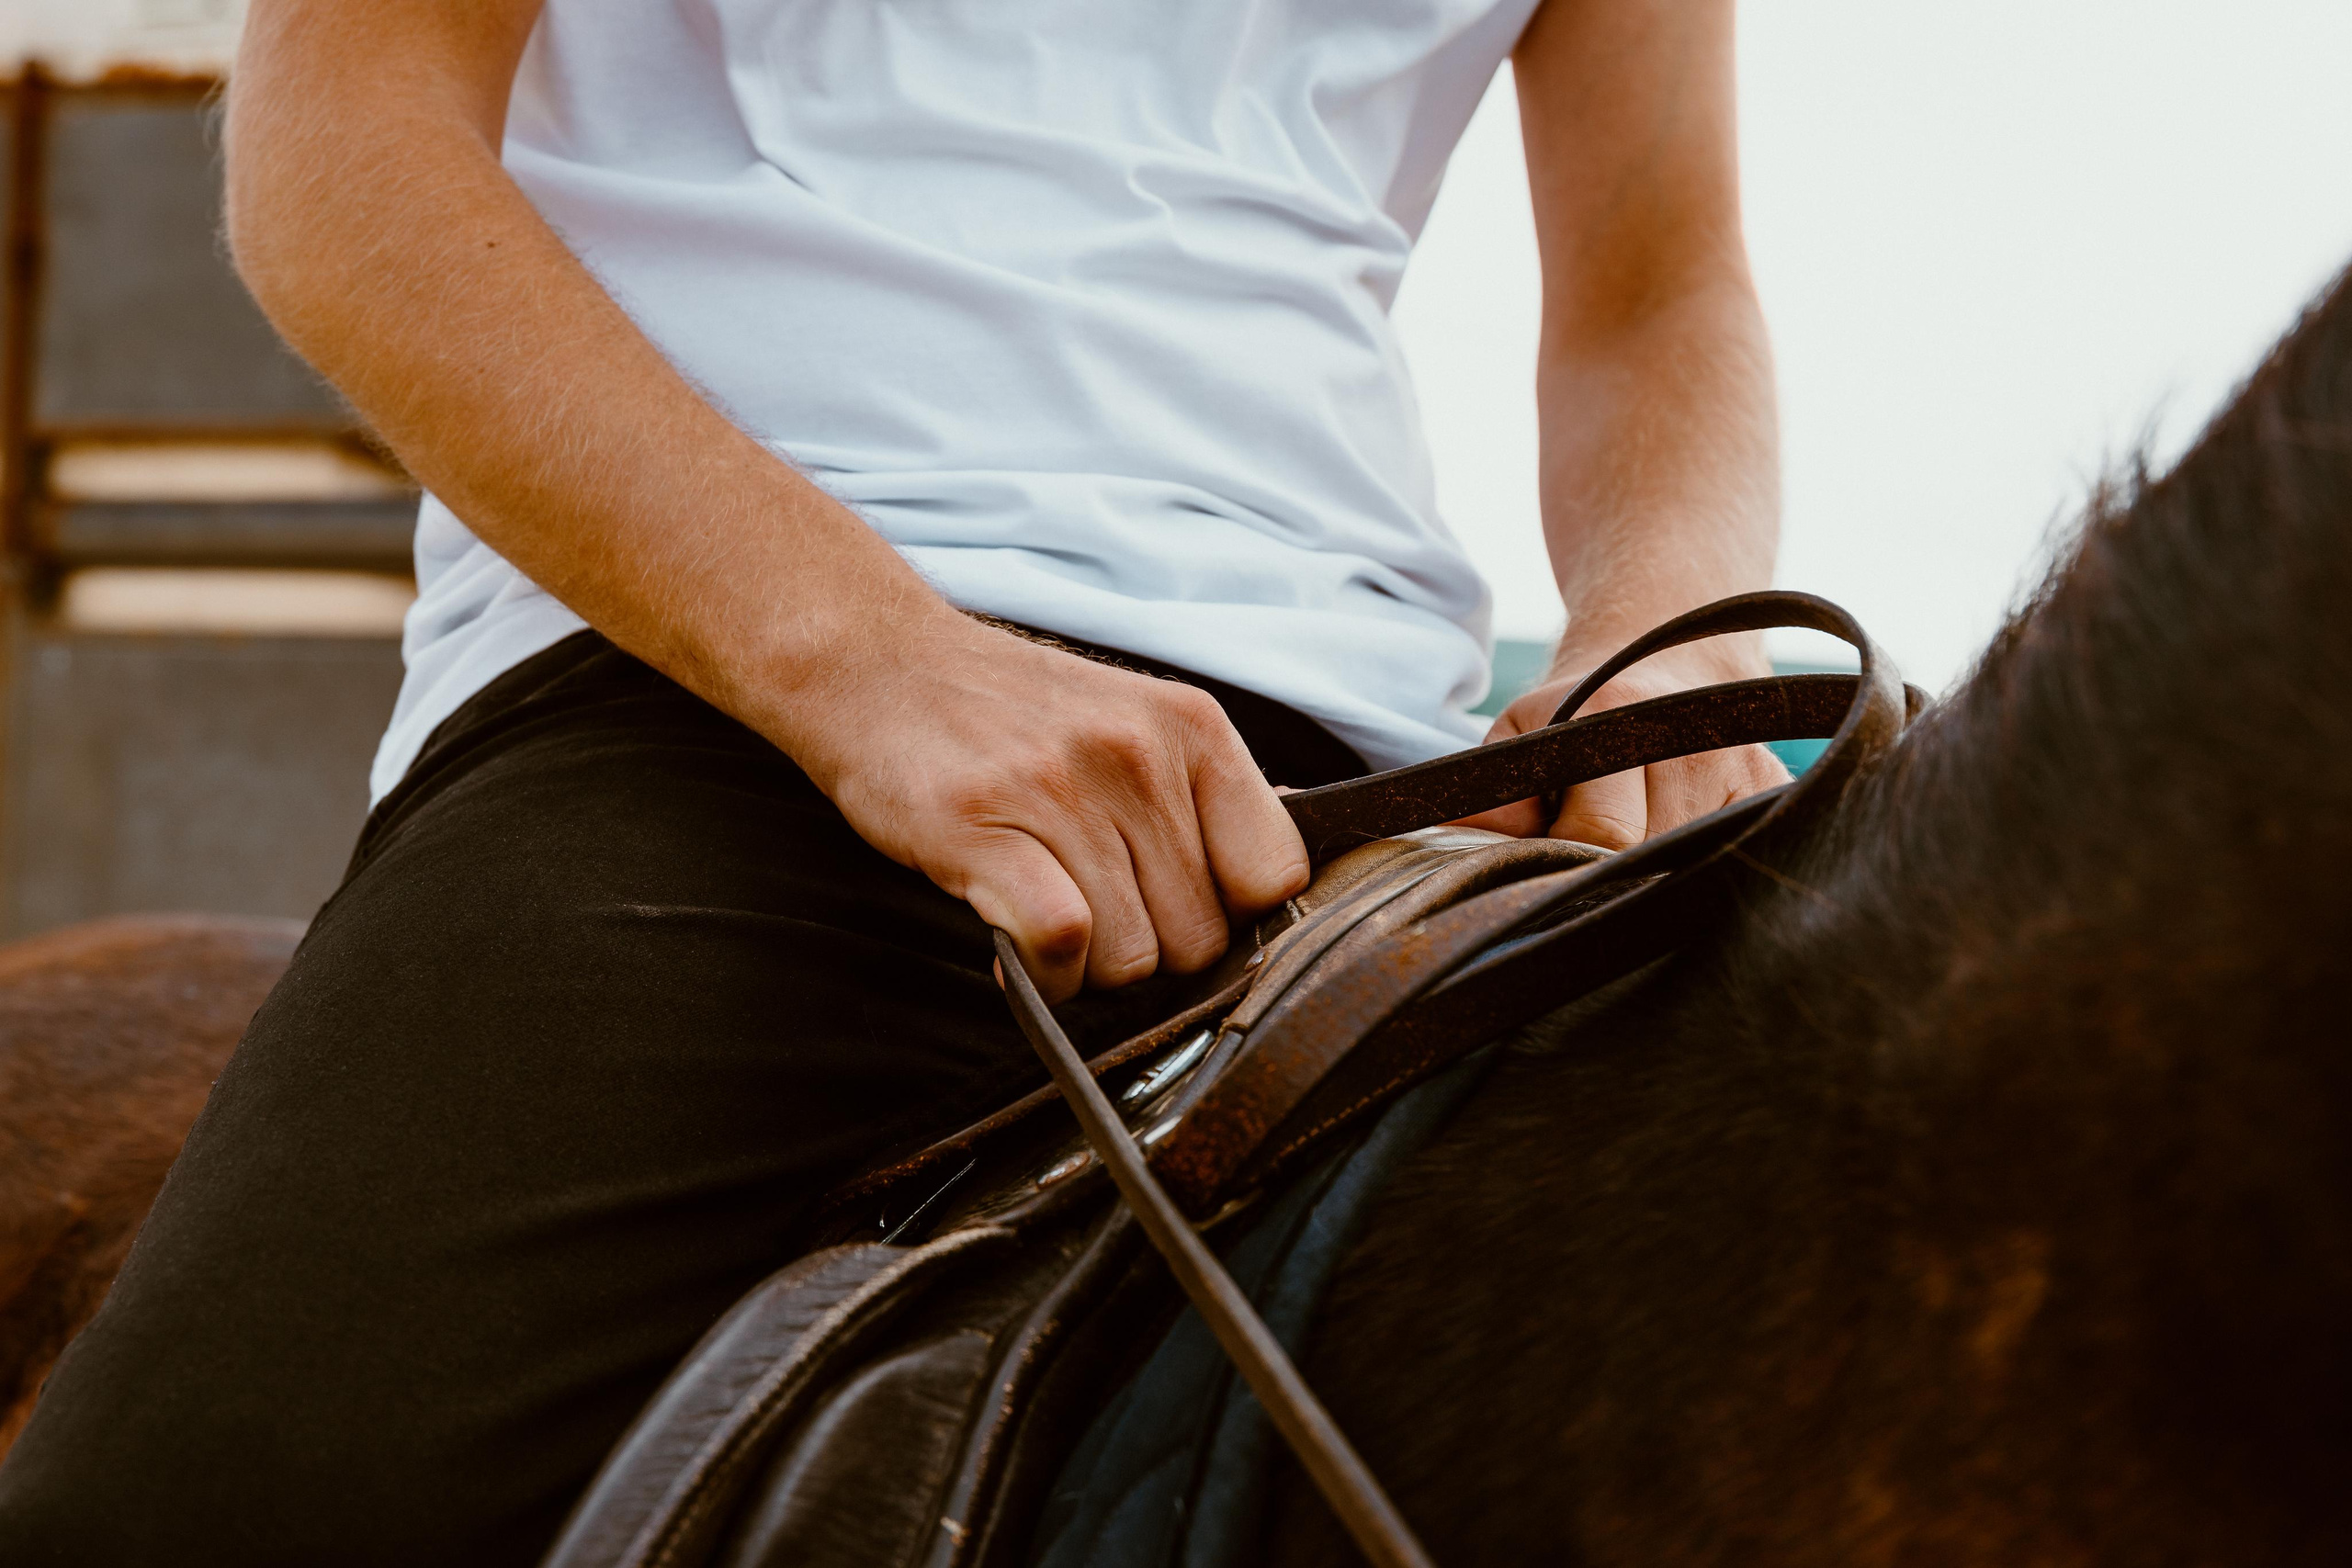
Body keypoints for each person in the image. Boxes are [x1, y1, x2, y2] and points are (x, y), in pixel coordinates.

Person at [0, 0, 1784, 1560]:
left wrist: (1675, 636)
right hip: (729, 689)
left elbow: (1655, 284)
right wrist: (878, 670)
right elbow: (340, 144)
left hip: (1351, 786)